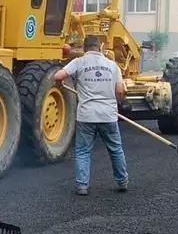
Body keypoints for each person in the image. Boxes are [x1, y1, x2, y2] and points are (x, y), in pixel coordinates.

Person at [53, 34, 128, 196]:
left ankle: (82, 186)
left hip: (86, 115)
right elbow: (120, 91)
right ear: (100, 47)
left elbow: (58, 76)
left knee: (83, 151)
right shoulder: (112, 65)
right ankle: (122, 181)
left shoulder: (79, 62)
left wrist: (59, 85)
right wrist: (117, 101)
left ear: (84, 48)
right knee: (115, 149)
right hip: (108, 115)